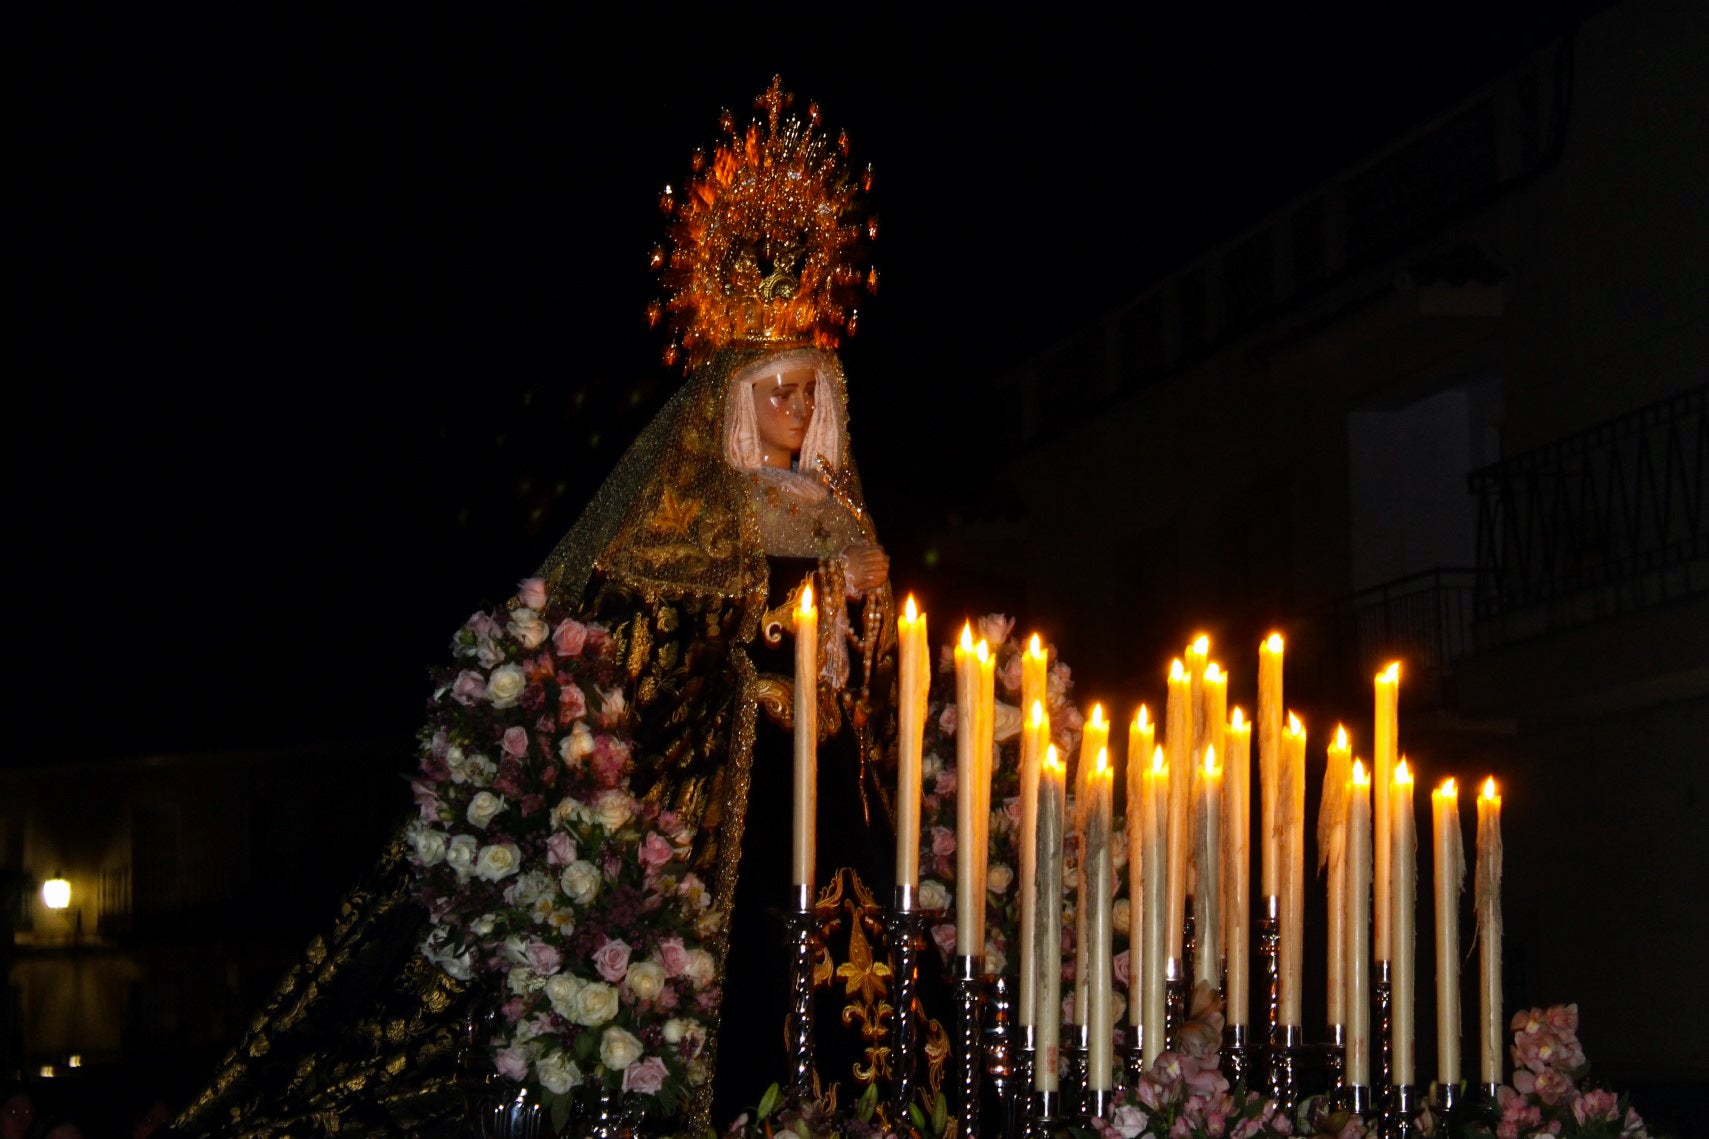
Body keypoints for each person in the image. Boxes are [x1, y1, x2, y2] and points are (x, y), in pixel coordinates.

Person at [175, 78, 892, 1137]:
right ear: (735, 396)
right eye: (777, 389)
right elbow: (664, 664)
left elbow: (860, 664)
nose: (795, 409)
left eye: (807, 390)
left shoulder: (839, 517)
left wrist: (855, 632)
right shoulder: (688, 520)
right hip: (725, 803)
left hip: (815, 791)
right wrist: (746, 675)